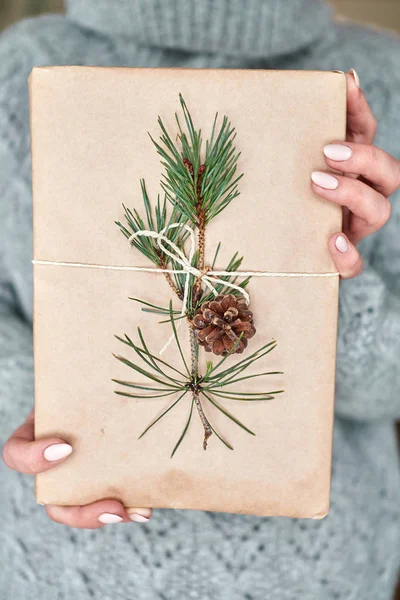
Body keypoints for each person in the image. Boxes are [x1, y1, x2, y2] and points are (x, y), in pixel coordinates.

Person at [1, 1, 400, 598]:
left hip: (321, 575)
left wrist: (330, 287)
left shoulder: (383, 76)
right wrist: (48, 410)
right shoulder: (19, 66)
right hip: (61, 570)